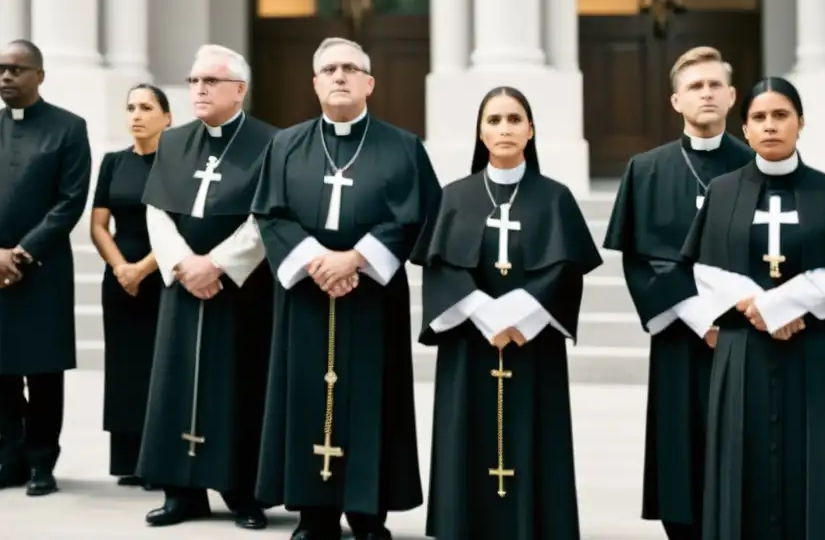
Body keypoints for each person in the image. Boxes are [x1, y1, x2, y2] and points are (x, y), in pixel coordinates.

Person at [251, 37, 442, 540]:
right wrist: (318, 262)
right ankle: (314, 516)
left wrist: (356, 259)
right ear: (315, 83)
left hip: (373, 297)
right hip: (305, 295)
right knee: (305, 398)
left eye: (350, 69)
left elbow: (418, 217)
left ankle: (367, 513)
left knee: (372, 398)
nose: (340, 76)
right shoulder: (285, 145)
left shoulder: (402, 146)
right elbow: (270, 213)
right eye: (329, 69)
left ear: (369, 83)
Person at [681, 77, 825, 539]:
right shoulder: (722, 191)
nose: (770, 126)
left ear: (800, 123)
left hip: (812, 353)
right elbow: (704, 269)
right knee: (740, 468)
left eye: (781, 115)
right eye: (759, 117)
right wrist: (761, 308)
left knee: (813, 465)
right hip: (743, 349)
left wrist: (783, 307)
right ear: (744, 129)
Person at [409, 87, 601, 540]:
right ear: (480, 131)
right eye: (494, 120)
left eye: (515, 120)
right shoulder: (454, 197)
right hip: (469, 341)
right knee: (467, 437)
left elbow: (565, 269)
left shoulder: (555, 198)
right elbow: (440, 269)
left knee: (536, 435)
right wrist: (483, 314)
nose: (505, 129)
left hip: (532, 343)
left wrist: (519, 316)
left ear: (531, 130)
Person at [603, 46, 752, 540]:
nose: (705, 93)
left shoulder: (757, 165)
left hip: (748, 333)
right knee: (679, 450)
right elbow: (639, 256)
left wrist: (731, 315)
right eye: (695, 86)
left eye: (714, 85)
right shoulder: (645, 169)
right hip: (680, 334)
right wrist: (698, 316)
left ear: (731, 96)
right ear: (675, 101)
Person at [136, 45, 277, 530]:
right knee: (177, 382)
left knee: (236, 383)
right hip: (182, 285)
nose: (198, 89)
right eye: (194, 80)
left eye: (210, 82)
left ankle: (241, 492)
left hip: (238, 289)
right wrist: (181, 264)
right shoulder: (173, 142)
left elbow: (267, 217)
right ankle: (183, 493)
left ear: (239, 90)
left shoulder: (270, 143)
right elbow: (156, 209)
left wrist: (216, 264)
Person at [0, 40, 92, 497]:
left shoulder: (69, 128)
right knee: (2, 368)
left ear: (40, 75)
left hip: (44, 269)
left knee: (45, 369)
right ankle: (7, 458)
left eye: (16, 69)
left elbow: (70, 201)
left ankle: (41, 462)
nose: (6, 78)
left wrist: (21, 253)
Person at [89, 83, 172, 487]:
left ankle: (158, 458)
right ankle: (128, 459)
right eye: (130, 108)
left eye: (146, 107)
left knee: (158, 366)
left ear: (167, 117)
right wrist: (122, 267)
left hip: (161, 275)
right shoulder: (111, 163)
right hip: (119, 278)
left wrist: (143, 269)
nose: (136, 115)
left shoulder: (176, 164)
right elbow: (99, 225)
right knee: (124, 367)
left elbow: (182, 226)